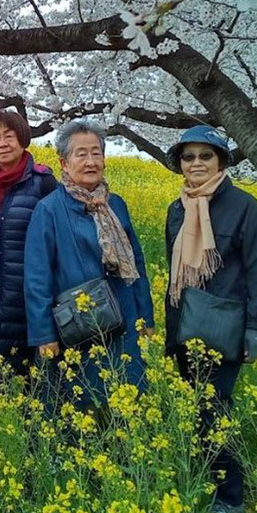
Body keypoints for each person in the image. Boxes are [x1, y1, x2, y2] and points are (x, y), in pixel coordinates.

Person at [163, 125, 257, 513]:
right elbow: (175, 278)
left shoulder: (243, 206)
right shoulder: (177, 208)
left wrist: (256, 327)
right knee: (196, 416)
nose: (196, 164)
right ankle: (207, 488)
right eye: (189, 157)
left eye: (205, 156)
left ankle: (231, 503)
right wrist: (169, 334)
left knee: (214, 415)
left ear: (222, 162)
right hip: (185, 329)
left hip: (224, 330)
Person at [24, 119, 153, 409]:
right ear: (64, 163)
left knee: (129, 403)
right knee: (81, 408)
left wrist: (147, 317)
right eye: (81, 154)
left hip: (124, 318)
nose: (91, 161)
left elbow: (137, 264)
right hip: (78, 327)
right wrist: (44, 334)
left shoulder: (116, 204)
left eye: (96, 153)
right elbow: (36, 278)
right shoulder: (49, 210)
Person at [0, 110, 58, 374]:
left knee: (20, 368)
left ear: (23, 139)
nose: (2, 144)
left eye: (9, 136)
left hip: (24, 289)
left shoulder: (43, 182)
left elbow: (55, 235)